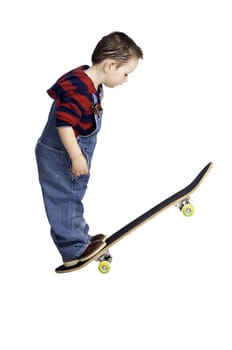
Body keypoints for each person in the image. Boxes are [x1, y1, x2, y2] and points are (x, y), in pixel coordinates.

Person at [35, 31, 143, 267]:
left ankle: (79, 237)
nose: (125, 79)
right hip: (62, 154)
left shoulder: (85, 78)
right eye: (125, 73)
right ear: (109, 65)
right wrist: (76, 156)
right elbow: (64, 124)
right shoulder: (82, 92)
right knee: (66, 197)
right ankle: (74, 248)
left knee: (72, 195)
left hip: (61, 152)